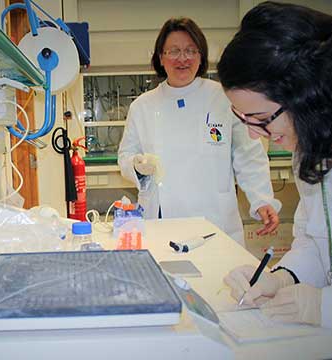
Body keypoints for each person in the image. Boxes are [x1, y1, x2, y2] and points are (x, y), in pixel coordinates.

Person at [218, 2, 332, 358]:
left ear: (308, 93)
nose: (256, 137)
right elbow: (317, 240)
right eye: (244, 120)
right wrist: (283, 278)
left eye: (261, 118)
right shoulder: (311, 135)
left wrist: (329, 307)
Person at [117, 17, 280, 245]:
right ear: (161, 58)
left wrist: (262, 200)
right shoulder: (143, 106)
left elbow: (248, 155)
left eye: (191, 51)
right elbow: (125, 157)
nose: (183, 58)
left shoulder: (224, 98)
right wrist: (137, 166)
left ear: (201, 56)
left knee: (218, 278)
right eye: (174, 51)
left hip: (215, 221)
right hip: (164, 220)